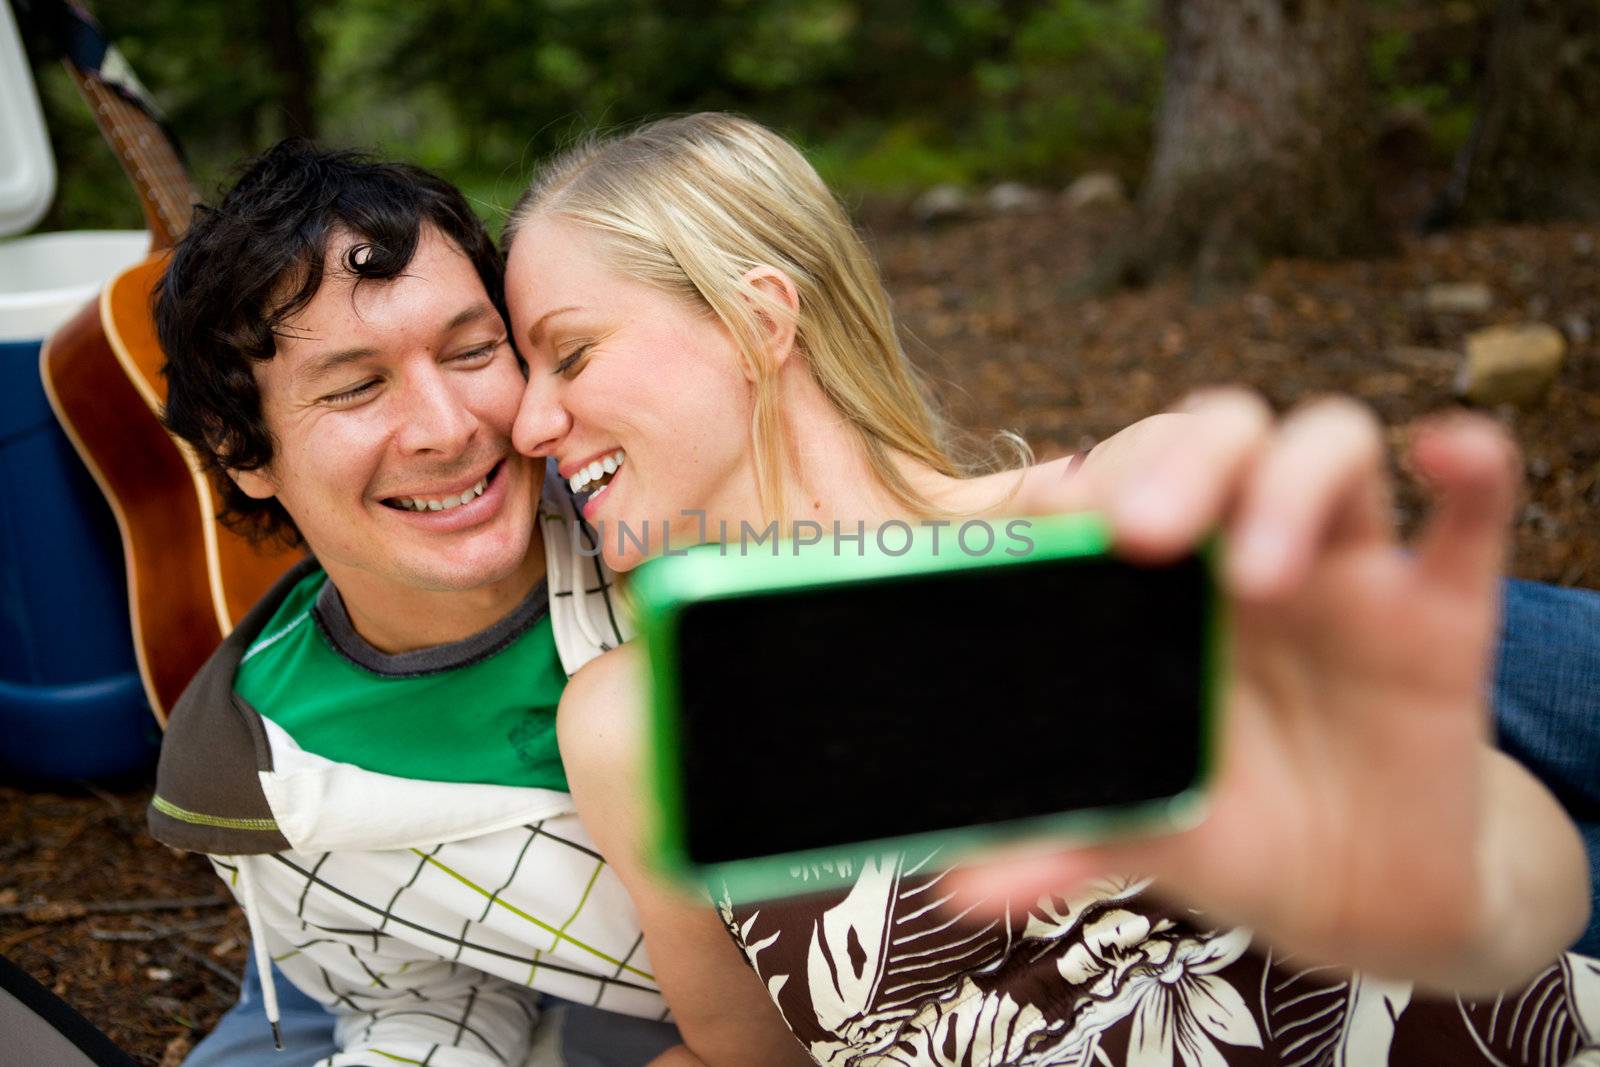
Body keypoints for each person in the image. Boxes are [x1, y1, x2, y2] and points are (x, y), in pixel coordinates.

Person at [502, 112, 1599, 1065]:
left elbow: (1506, 895)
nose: (528, 423)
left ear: (759, 320)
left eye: (572, 354)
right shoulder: (633, 720)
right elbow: (747, 1054)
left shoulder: (1116, 504)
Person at [146, 141, 696, 1066]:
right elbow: (425, 995)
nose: (448, 428)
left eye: (474, 350)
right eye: (358, 386)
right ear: (242, 446)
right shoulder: (268, 779)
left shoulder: (677, 527)